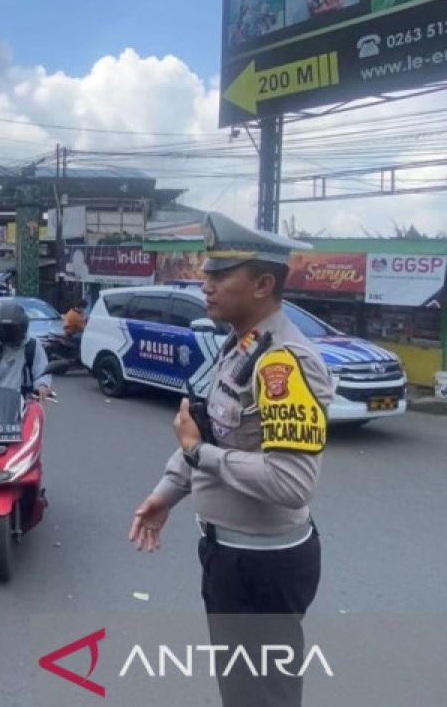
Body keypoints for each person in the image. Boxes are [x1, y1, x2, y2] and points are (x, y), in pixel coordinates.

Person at [129, 212, 332, 707]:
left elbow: (291, 483)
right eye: (207, 273)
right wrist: (167, 492)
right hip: (229, 557)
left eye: (220, 276)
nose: (205, 284)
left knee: (264, 697)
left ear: (263, 283)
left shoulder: (284, 362)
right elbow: (209, 429)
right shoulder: (241, 346)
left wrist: (201, 453)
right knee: (240, 693)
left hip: (263, 567)